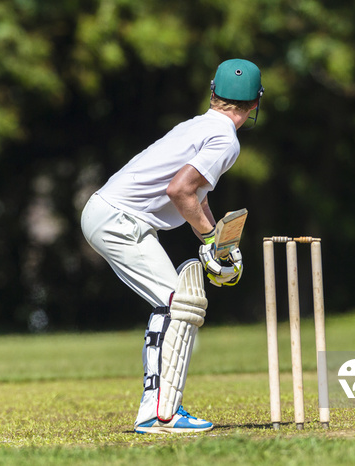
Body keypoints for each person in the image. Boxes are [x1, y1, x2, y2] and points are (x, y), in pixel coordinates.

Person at [80, 59, 264, 434]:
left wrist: (218, 244)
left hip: (110, 213)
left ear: (213, 92)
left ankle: (162, 409)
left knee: (177, 303)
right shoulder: (226, 138)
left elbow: (196, 193)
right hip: (119, 220)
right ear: (256, 103)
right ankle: (159, 413)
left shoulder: (199, 125)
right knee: (177, 304)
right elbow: (178, 190)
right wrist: (213, 242)